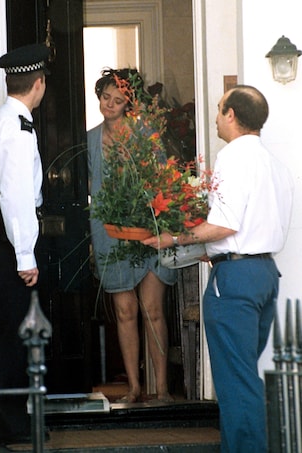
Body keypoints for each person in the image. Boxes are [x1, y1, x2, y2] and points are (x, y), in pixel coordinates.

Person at [143, 85, 294, 452]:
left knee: (236, 383)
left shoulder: (233, 156)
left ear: (231, 115)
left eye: (218, 109)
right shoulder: (274, 163)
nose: (214, 116)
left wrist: (175, 239)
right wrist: (217, 247)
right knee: (242, 377)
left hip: (236, 279)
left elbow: (226, 225)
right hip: (264, 275)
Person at [88, 68, 177, 403]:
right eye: (105, 97)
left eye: (118, 100)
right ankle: (134, 387)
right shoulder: (89, 139)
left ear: (129, 103)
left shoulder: (145, 135)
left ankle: (163, 388)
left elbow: (162, 183)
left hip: (148, 229)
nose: (109, 104)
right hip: (109, 233)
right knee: (125, 311)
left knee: (152, 309)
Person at [0, 43, 50, 446]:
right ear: (38, 84)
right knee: (16, 329)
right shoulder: (18, 128)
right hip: (8, 237)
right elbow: (16, 195)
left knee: (10, 327)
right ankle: (13, 425)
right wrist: (25, 253)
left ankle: (12, 419)